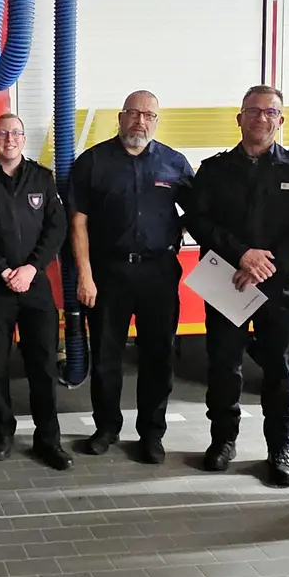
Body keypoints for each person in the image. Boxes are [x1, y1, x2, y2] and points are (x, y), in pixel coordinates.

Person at [185, 86, 289, 487]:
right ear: (239, 118)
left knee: (281, 368)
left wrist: (265, 263)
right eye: (254, 111)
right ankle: (222, 442)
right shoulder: (214, 170)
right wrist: (243, 255)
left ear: (281, 120)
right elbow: (199, 221)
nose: (262, 118)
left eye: (271, 112)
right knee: (223, 365)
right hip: (226, 278)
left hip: (279, 285)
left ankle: (280, 448)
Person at [69, 90, 195, 464]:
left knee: (159, 356)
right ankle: (106, 428)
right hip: (109, 273)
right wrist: (85, 276)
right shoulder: (93, 162)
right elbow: (78, 222)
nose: (141, 121)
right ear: (120, 118)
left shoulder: (175, 163)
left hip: (158, 272)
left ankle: (152, 435)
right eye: (134, 113)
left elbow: (200, 212)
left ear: (157, 121)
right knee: (106, 356)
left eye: (149, 115)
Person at [0, 112, 72, 470]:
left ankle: (49, 440)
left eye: (16, 132)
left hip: (35, 286)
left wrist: (31, 268)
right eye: (3, 133)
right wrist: (1, 269)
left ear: (24, 138)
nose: (10, 139)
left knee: (43, 365)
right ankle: (3, 434)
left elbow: (56, 228)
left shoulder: (42, 179)